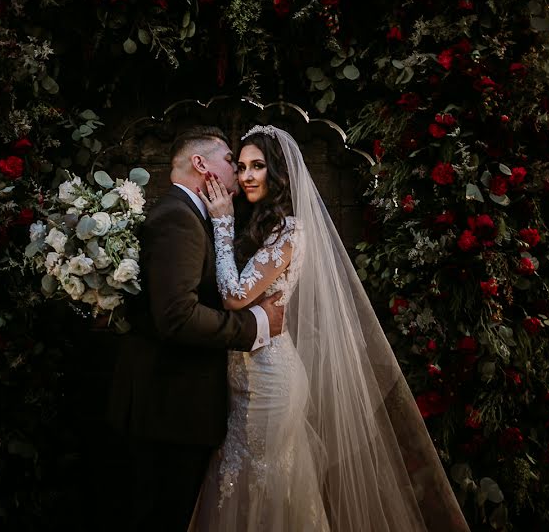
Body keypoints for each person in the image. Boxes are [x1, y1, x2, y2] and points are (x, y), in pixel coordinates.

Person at [189, 125, 470, 531]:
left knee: (266, 480)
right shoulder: (259, 225)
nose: (247, 175)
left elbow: (233, 295)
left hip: (271, 378)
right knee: (240, 474)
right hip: (243, 374)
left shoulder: (290, 230)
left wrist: (220, 222)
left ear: (279, 173)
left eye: (259, 166)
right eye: (243, 166)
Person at [107, 125, 286, 531]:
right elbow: (178, 316)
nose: (239, 175)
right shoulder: (178, 219)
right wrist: (256, 324)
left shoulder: (186, 215)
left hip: (173, 406)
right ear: (201, 164)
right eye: (231, 161)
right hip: (168, 408)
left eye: (251, 166)